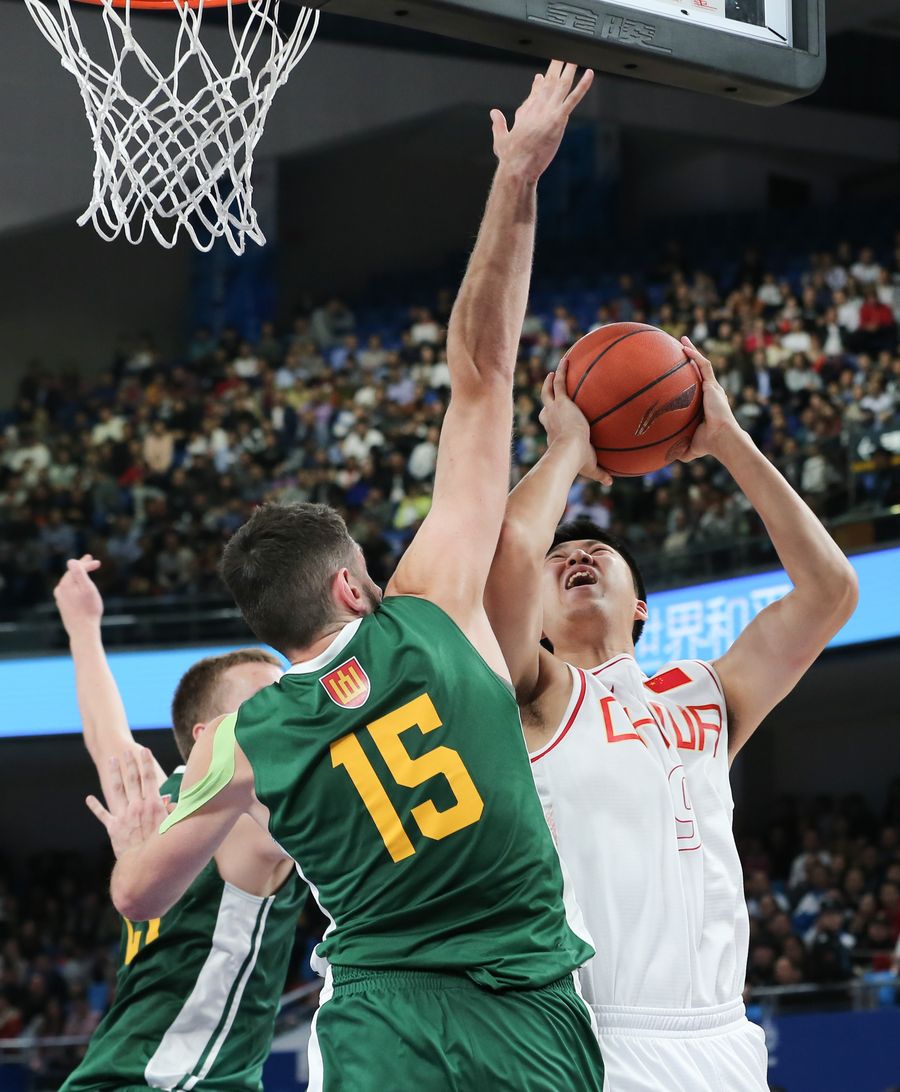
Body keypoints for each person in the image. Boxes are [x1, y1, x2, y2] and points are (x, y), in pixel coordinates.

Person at [92, 63, 605, 1092]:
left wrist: (145, 839)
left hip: (378, 1022)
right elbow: (481, 374)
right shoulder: (431, 608)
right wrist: (516, 180)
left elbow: (141, 898)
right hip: (523, 1006)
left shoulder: (243, 738)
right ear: (348, 589)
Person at [484, 343, 858, 1092]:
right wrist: (566, 451)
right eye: (560, 557)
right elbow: (507, 556)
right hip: (600, 1033)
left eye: (598, 550)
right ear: (536, 622)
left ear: (642, 607)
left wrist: (727, 440)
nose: (578, 556)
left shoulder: (705, 693)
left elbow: (830, 592)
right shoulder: (532, 694)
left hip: (724, 1036)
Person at [53, 556, 304, 1091]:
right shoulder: (251, 810)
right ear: (207, 734)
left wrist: (82, 626)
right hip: (182, 1082)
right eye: (265, 704)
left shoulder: (153, 802)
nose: (288, 716)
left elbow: (104, 731)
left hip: (111, 1073)